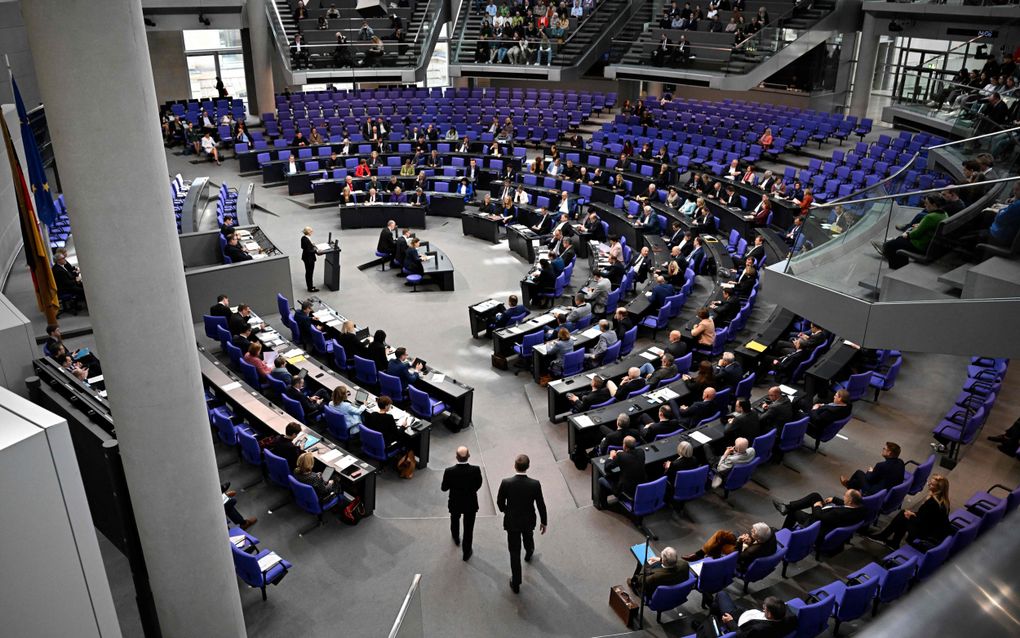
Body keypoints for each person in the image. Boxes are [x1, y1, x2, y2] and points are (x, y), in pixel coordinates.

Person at [497, 454, 548, 593]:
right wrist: (544, 521)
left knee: (514, 551)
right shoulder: (534, 484)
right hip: (528, 520)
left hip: (512, 521)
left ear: (515, 466)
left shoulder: (506, 483)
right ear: (528, 466)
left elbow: (500, 502)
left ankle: (516, 582)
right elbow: (540, 504)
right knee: (528, 536)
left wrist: (506, 511)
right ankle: (529, 551)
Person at [868, 475, 951, 549]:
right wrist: (912, 514)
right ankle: (892, 542)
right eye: (930, 482)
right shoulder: (944, 501)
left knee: (903, 516)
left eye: (932, 484)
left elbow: (924, 522)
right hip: (935, 529)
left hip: (928, 534)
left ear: (938, 489)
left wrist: (911, 516)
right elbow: (928, 517)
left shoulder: (932, 503)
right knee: (904, 514)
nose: (929, 484)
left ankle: (886, 538)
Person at [871, 194, 948, 269]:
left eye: (927, 203)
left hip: (920, 245)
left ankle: (896, 266)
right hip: (929, 243)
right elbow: (929, 227)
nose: (925, 205)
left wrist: (907, 234)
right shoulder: (944, 214)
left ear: (934, 204)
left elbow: (916, 234)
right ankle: (893, 250)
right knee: (898, 240)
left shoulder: (930, 217)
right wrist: (920, 225)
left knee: (890, 245)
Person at [441, 446, 484, 561]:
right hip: (470, 503)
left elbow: (444, 488)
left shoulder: (449, 471)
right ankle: (466, 552)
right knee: (469, 528)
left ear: (456, 457)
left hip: (455, 502)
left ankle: (456, 537)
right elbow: (478, 484)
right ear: (469, 456)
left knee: (454, 519)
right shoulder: (475, 470)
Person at [682, 522, 776, 573]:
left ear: (759, 538)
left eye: (753, 532)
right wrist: (750, 540)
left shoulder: (752, 551)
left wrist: (740, 541)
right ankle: (707, 556)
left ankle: (702, 555)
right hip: (749, 547)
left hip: (742, 557)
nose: (751, 531)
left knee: (719, 543)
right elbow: (759, 540)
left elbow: (738, 557)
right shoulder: (769, 533)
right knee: (720, 534)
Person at [774, 488, 867, 538]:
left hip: (817, 524)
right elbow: (849, 505)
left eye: (845, 496)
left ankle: (782, 533)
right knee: (815, 496)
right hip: (828, 518)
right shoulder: (861, 509)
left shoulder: (839, 513)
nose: (843, 497)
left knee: (794, 513)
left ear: (850, 501)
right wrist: (834, 500)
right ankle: (786, 507)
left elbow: (819, 517)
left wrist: (817, 506)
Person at [700, 594, 797, 638]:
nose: (763, 609)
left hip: (738, 621)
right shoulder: (790, 617)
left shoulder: (758, 629)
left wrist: (730, 622)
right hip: (747, 615)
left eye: (765, 608)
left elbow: (740, 635)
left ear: (770, 614)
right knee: (719, 605)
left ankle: (710, 619)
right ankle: (714, 610)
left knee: (721, 594)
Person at [598, 436, 647, 508]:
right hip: (642, 485)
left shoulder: (621, 456)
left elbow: (607, 467)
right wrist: (623, 453)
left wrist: (611, 457)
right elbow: (630, 458)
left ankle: (603, 505)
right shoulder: (641, 452)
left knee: (601, 479)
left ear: (624, 445)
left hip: (626, 491)